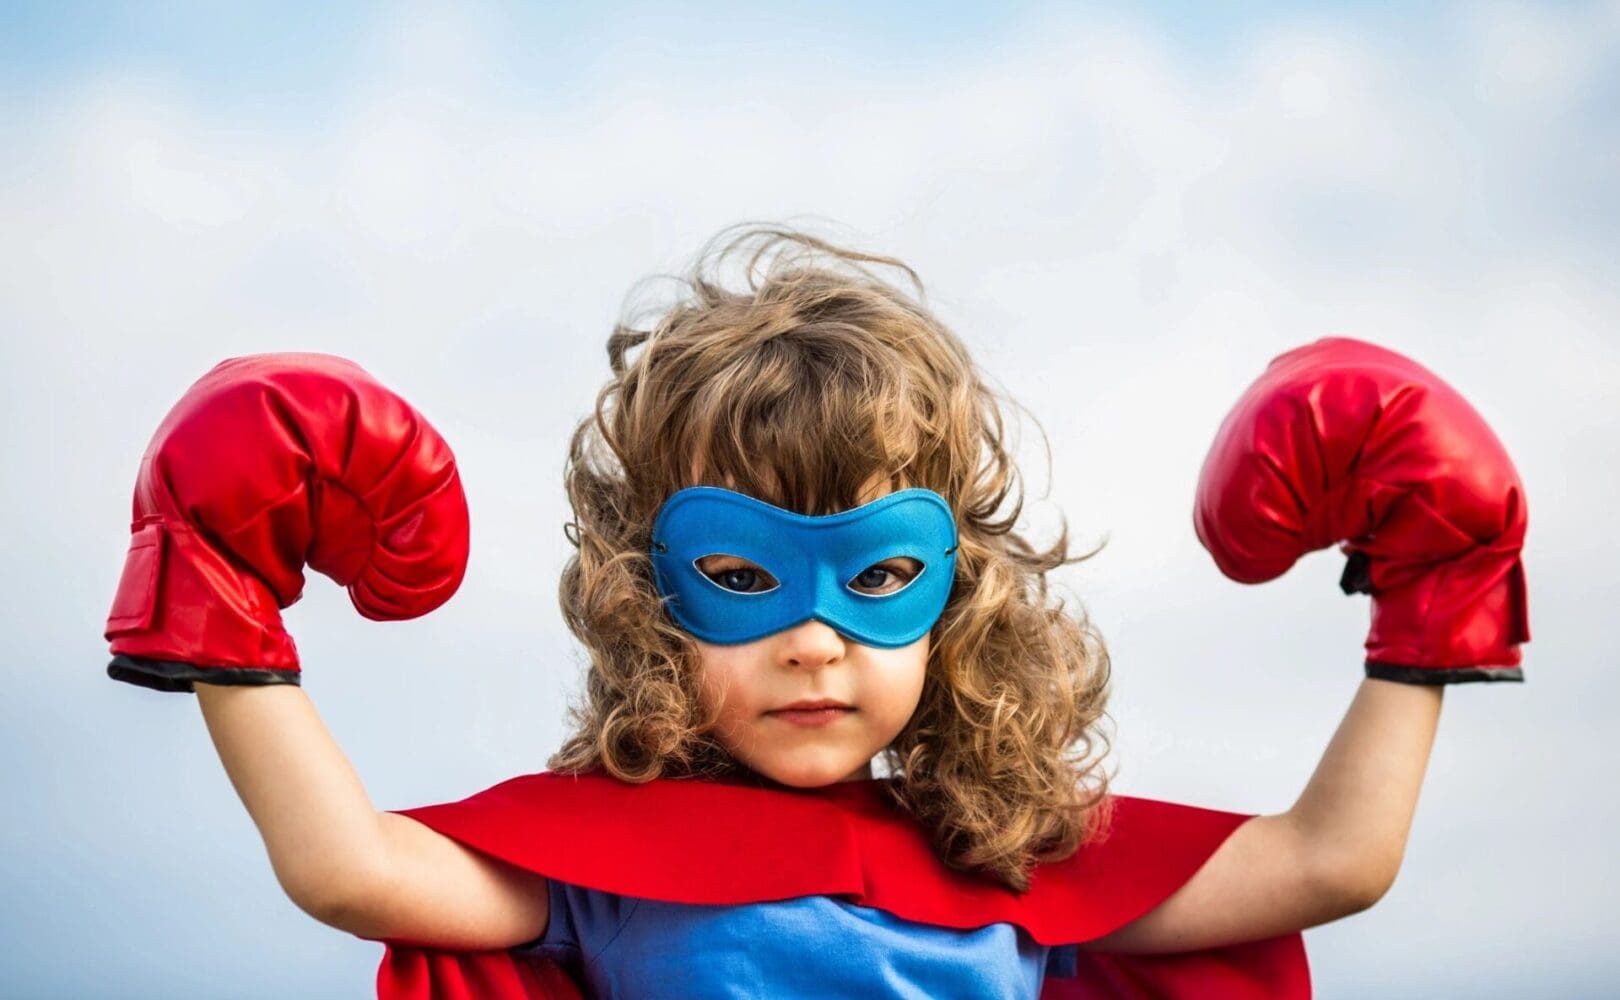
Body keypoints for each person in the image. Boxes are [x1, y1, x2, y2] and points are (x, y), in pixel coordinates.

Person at [103, 225, 1529, 998]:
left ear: (955, 601)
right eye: (742, 576)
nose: (814, 638)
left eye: (879, 573)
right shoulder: (601, 871)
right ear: (649, 602)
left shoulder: (1018, 876)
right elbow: (350, 869)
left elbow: (1329, 863)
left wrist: (1435, 599)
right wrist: (220, 600)